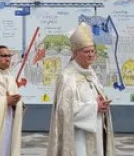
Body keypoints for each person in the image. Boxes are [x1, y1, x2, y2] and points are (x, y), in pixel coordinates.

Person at [46, 22, 116, 156]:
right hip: (77, 135)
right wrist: (94, 107)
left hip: (97, 130)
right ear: (75, 53)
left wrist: (102, 103)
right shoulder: (67, 76)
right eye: (86, 52)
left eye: (92, 51)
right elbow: (63, 110)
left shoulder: (91, 73)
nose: (90, 55)